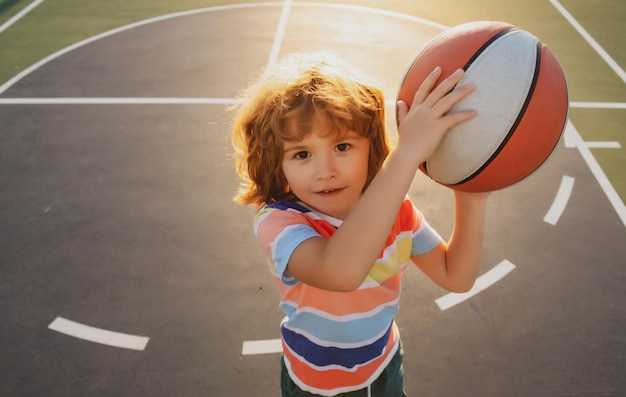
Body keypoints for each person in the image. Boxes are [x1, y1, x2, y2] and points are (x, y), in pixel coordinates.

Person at [231, 51, 489, 397]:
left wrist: (471, 191)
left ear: (372, 147)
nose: (325, 171)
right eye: (302, 154)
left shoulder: (397, 212)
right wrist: (407, 152)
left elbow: (455, 275)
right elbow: (341, 272)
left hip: (384, 364)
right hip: (315, 383)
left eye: (342, 146)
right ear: (280, 166)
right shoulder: (279, 222)